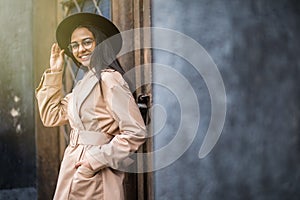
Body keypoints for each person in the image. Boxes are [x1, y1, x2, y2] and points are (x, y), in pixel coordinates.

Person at [35, 12, 147, 200]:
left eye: (87, 42)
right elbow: (51, 116)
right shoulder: (83, 84)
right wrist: (55, 71)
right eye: (75, 45)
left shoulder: (109, 78)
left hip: (96, 173)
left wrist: (93, 161)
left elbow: (135, 132)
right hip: (73, 165)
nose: (80, 50)